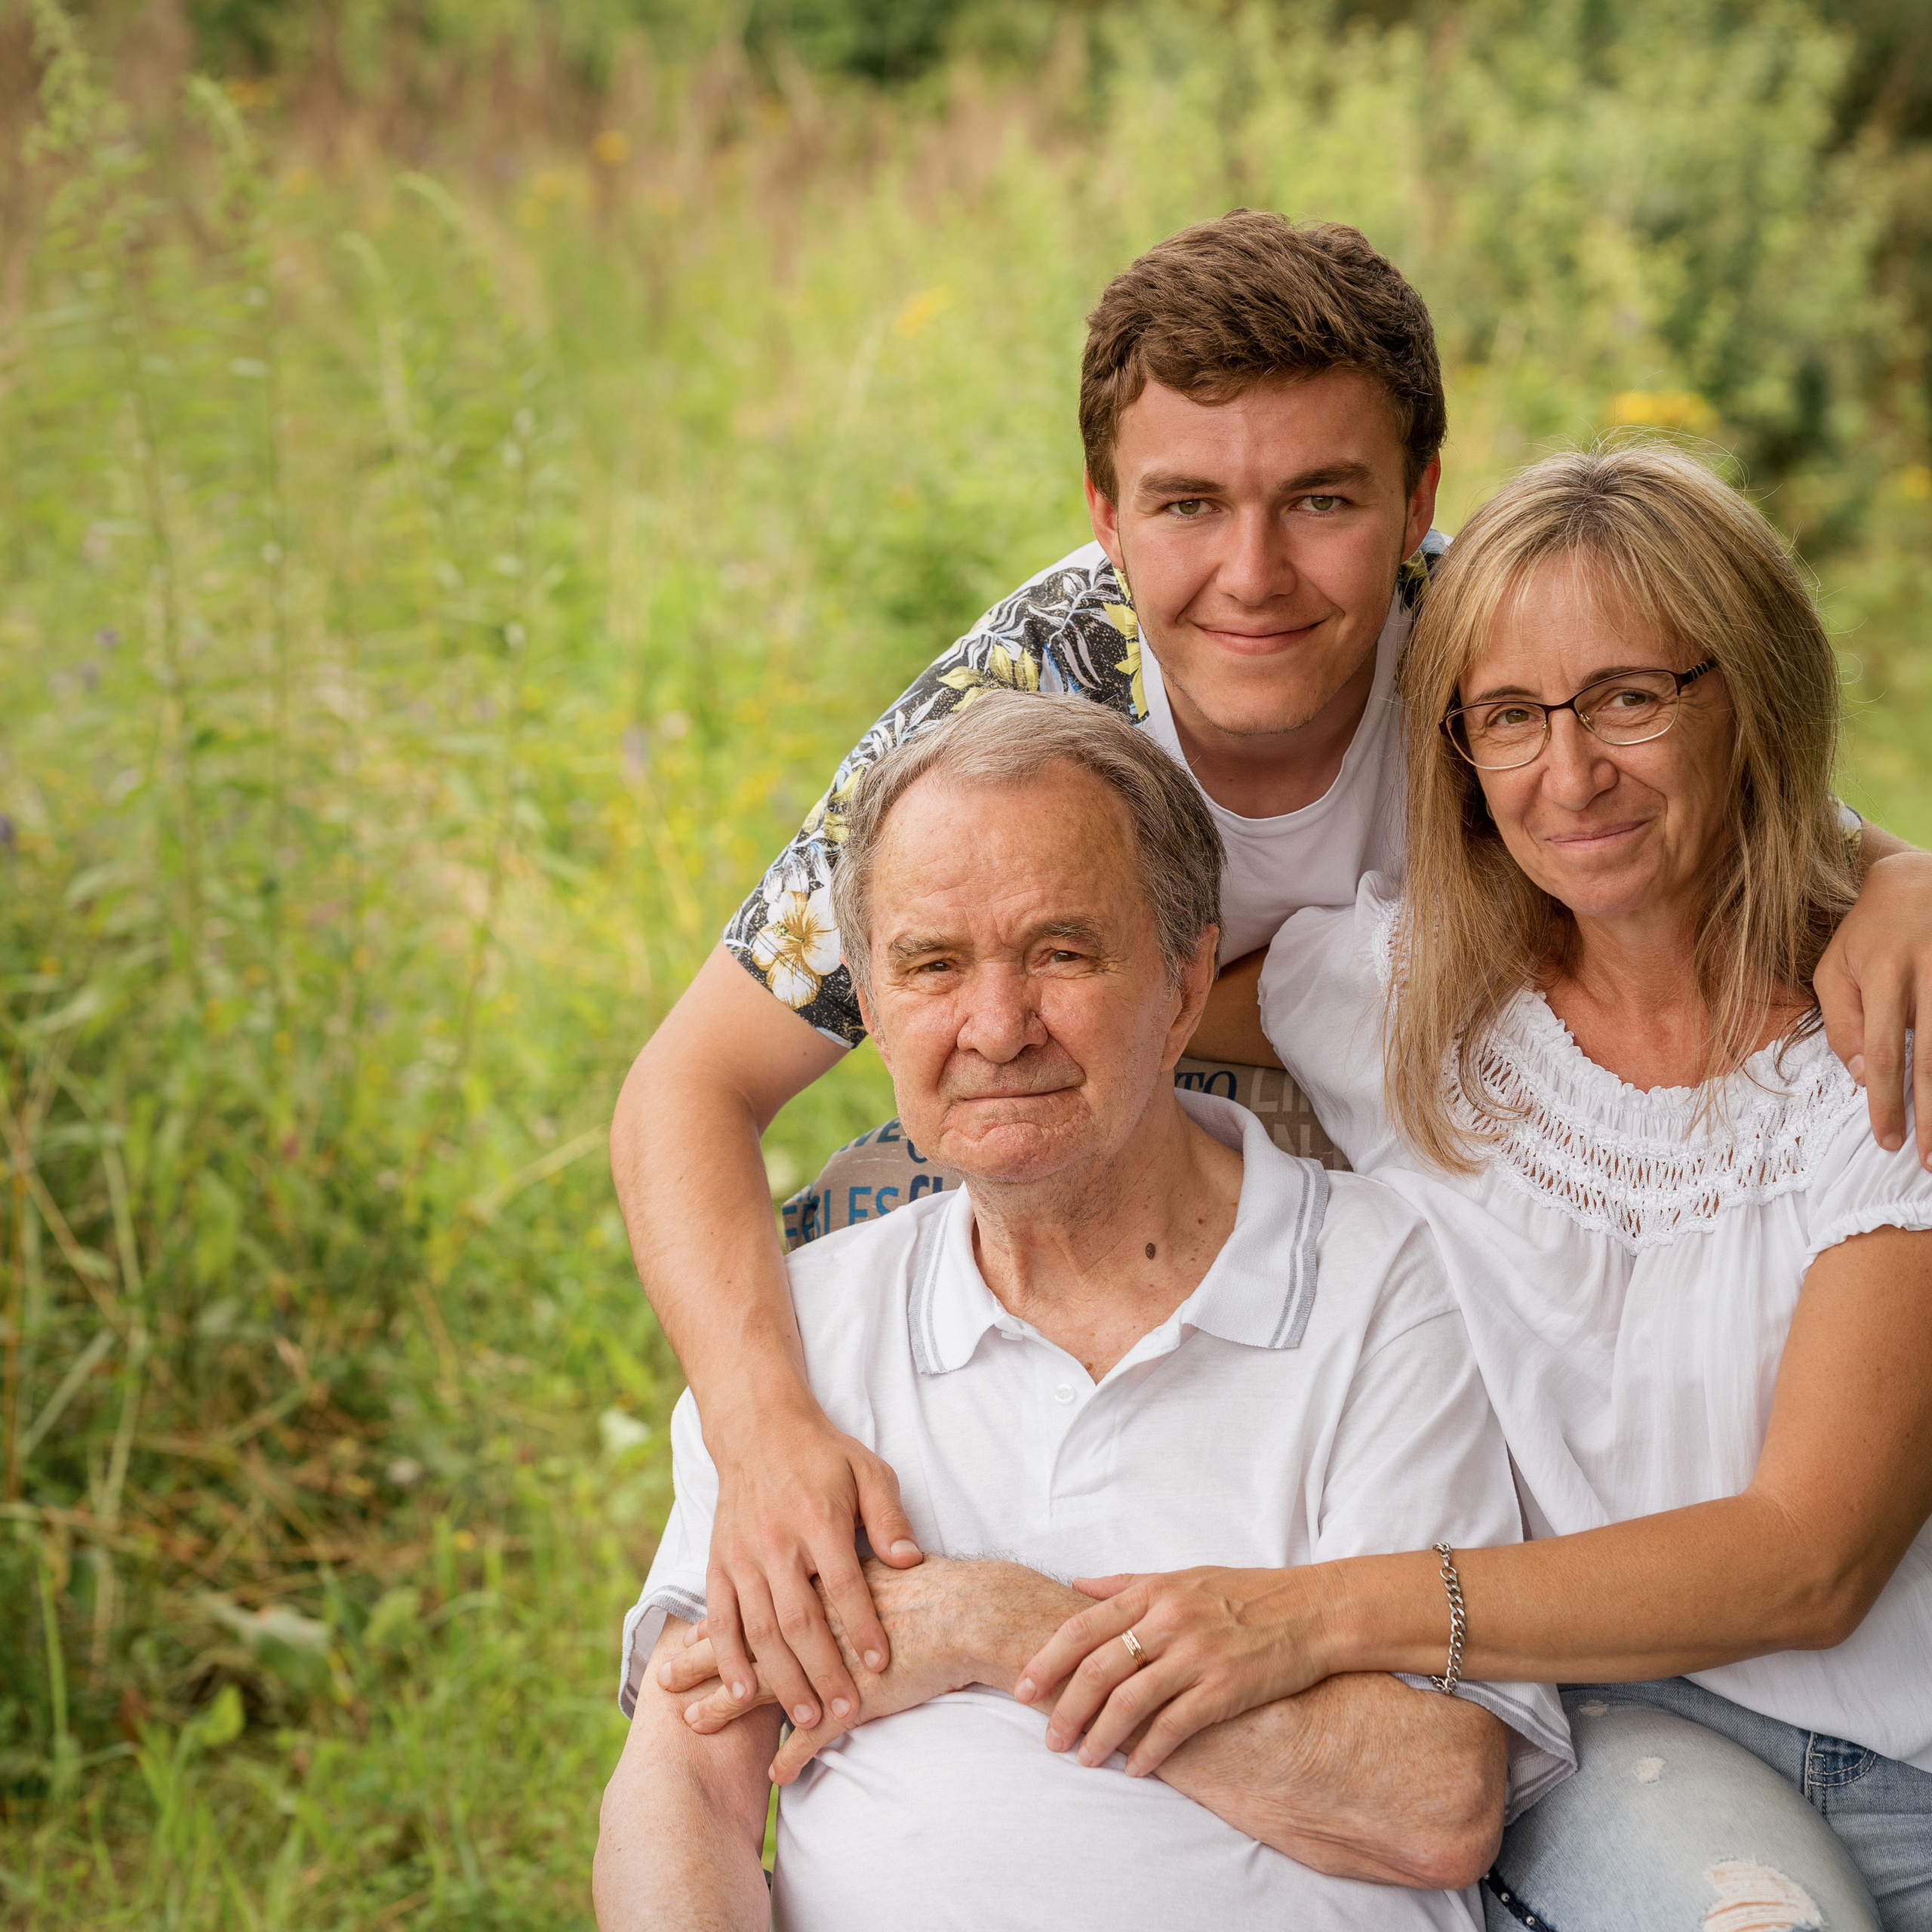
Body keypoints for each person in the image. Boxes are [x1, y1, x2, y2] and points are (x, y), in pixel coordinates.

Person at [610, 208, 1932, 1739]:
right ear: (1105, 515)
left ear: (1416, 502)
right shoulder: (1026, 704)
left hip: (1444, 1137)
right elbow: (686, 1087)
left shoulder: (1484, 645)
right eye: (1186, 504)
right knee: (876, 1224)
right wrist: (763, 1429)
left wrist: (1901, 876)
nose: (1252, 573)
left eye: (1320, 499)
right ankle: (838, 1733)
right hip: (1148, 1098)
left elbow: (1728, 811)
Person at [1008, 446, 1932, 1927]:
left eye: (1628, 697)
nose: (1569, 774)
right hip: (1605, 1736)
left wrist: (1309, 1615)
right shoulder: (1402, 997)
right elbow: (1106, 1012)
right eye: (1508, 716)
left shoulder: (1888, 1038)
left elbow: (1809, 1561)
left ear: (1748, 694)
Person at [593, 693, 1571, 1931]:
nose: (997, 1028)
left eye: (1060, 953)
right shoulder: (792, 1342)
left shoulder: (1390, 1282)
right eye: (934, 965)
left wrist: (997, 1624)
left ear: (1184, 984)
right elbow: (686, 1786)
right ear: (875, 1012)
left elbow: (1431, 1801)